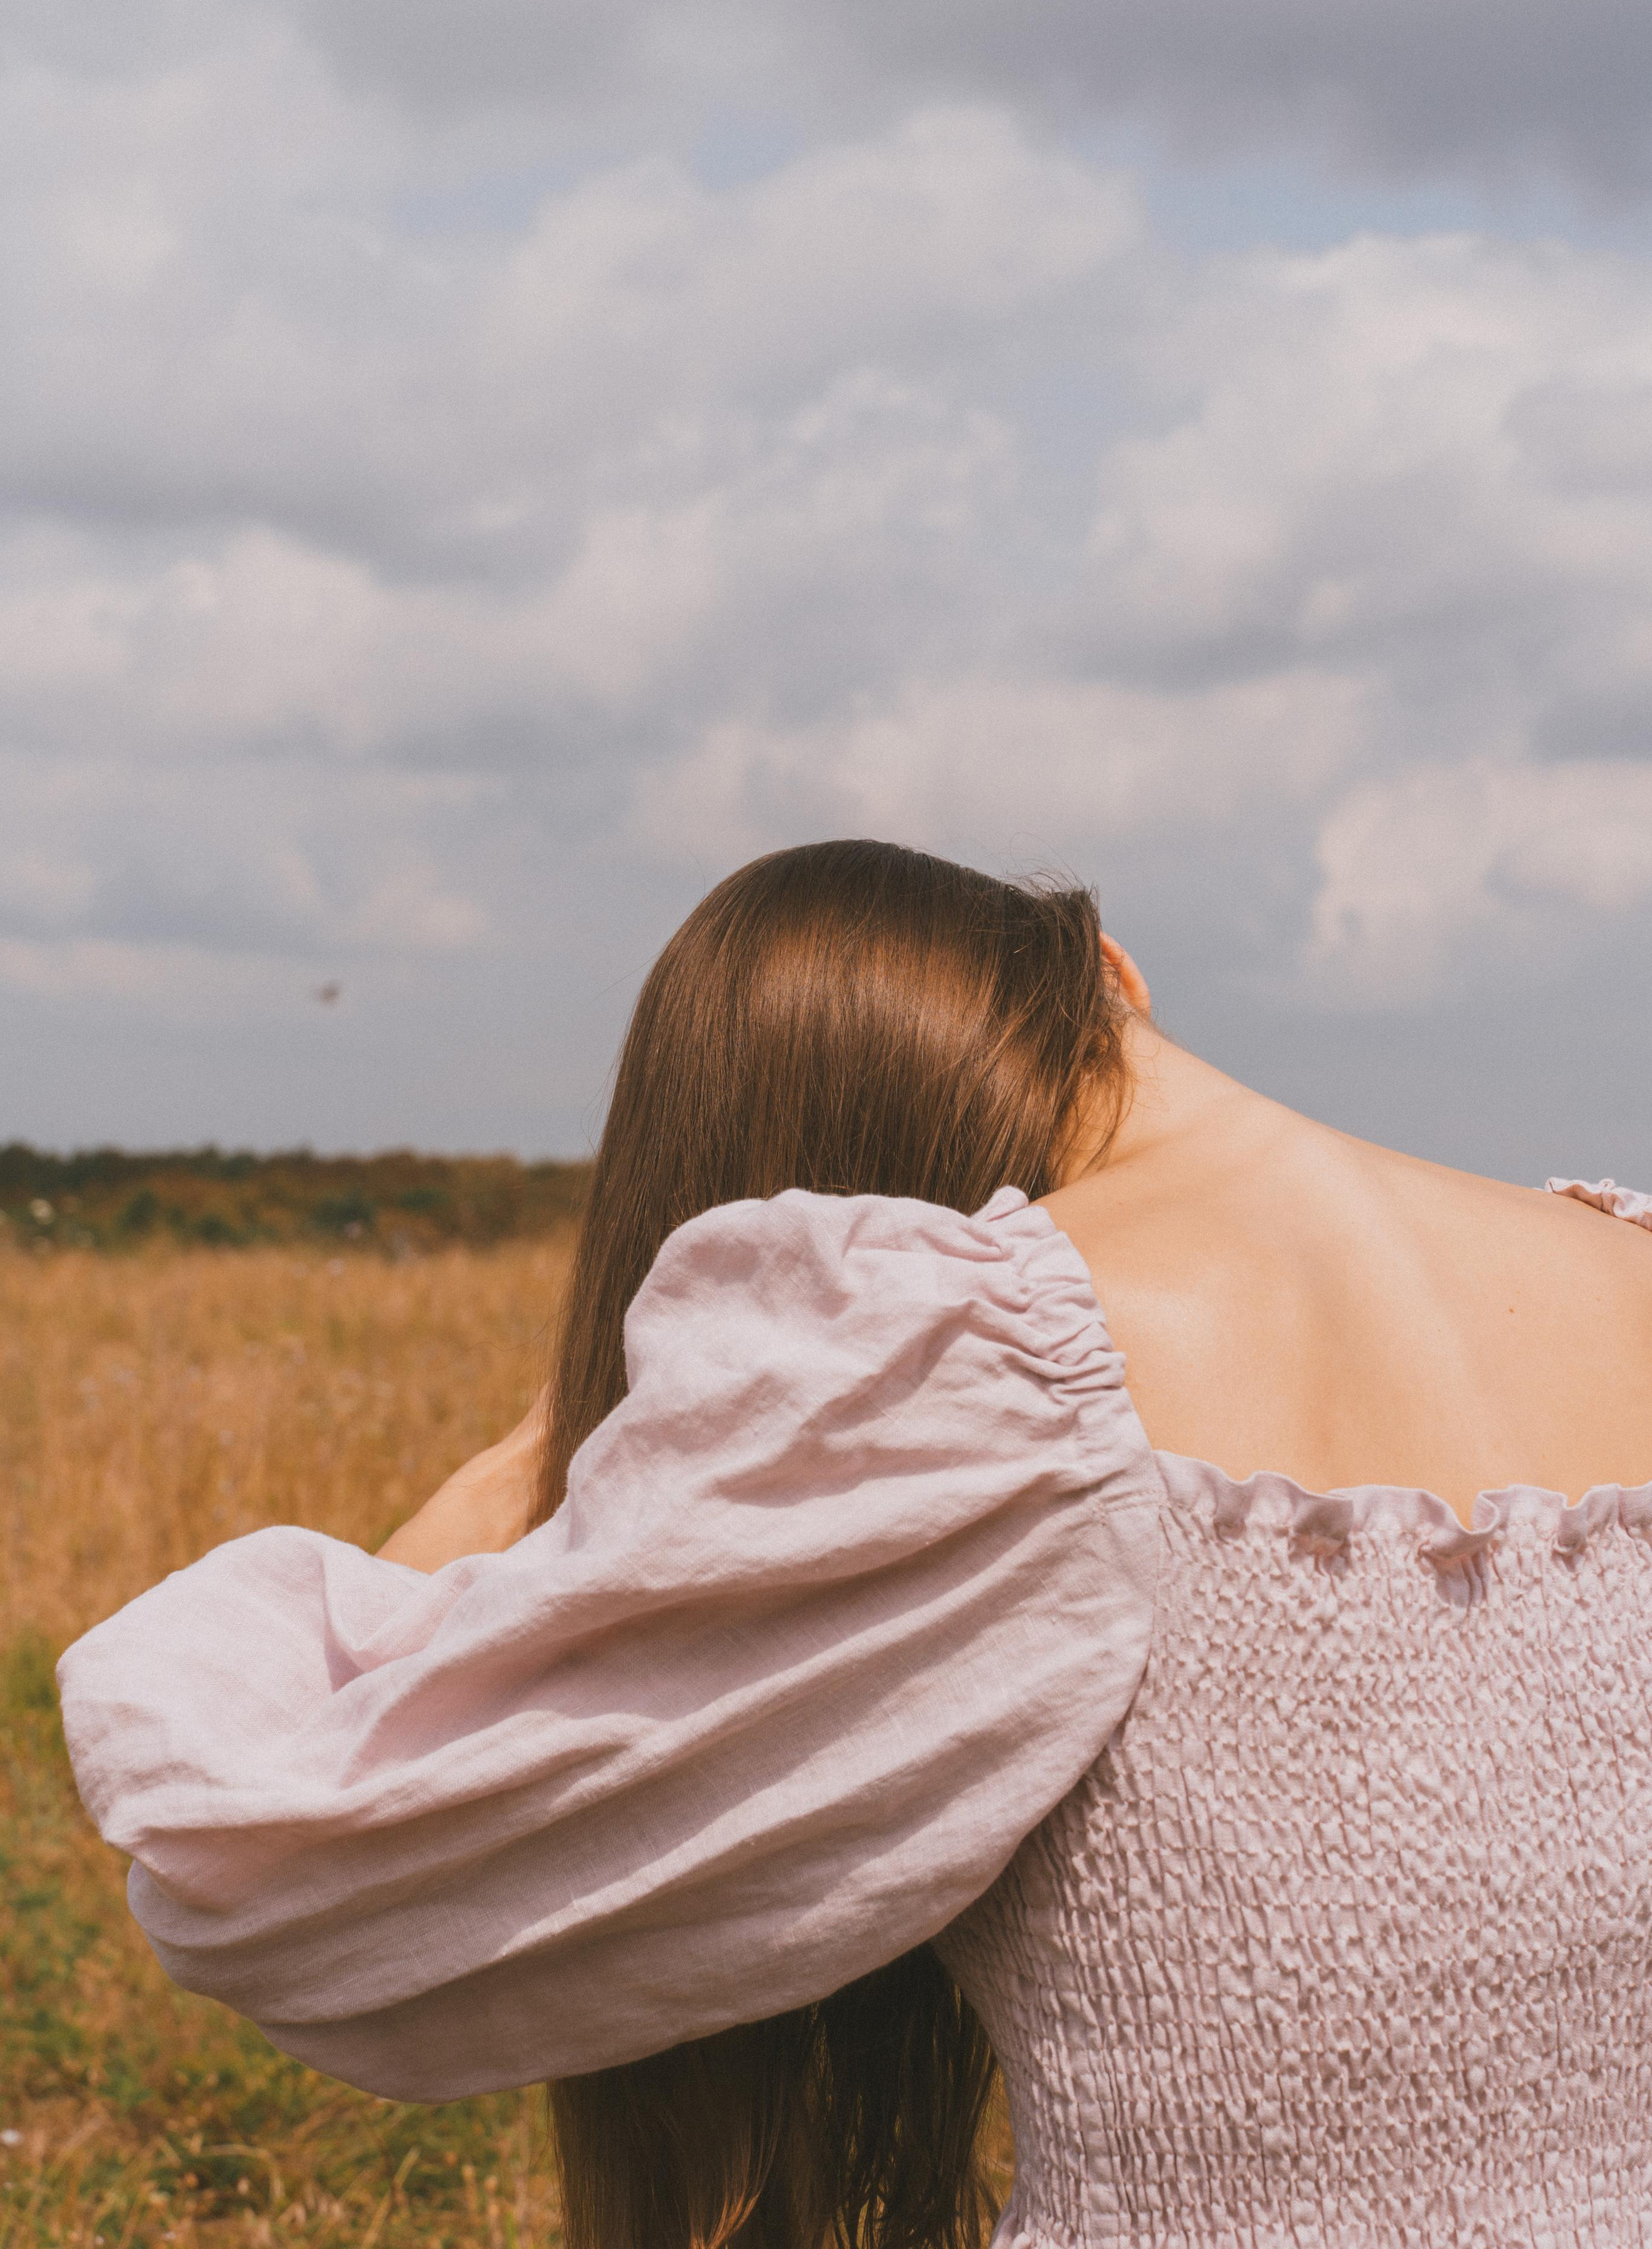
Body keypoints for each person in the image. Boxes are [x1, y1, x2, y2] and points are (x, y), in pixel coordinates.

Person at [57, 840, 1652, 2249]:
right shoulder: (1625, 1263)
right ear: (1118, 981)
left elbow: (272, 1867)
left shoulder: (986, 1366)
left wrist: (561, 1441)